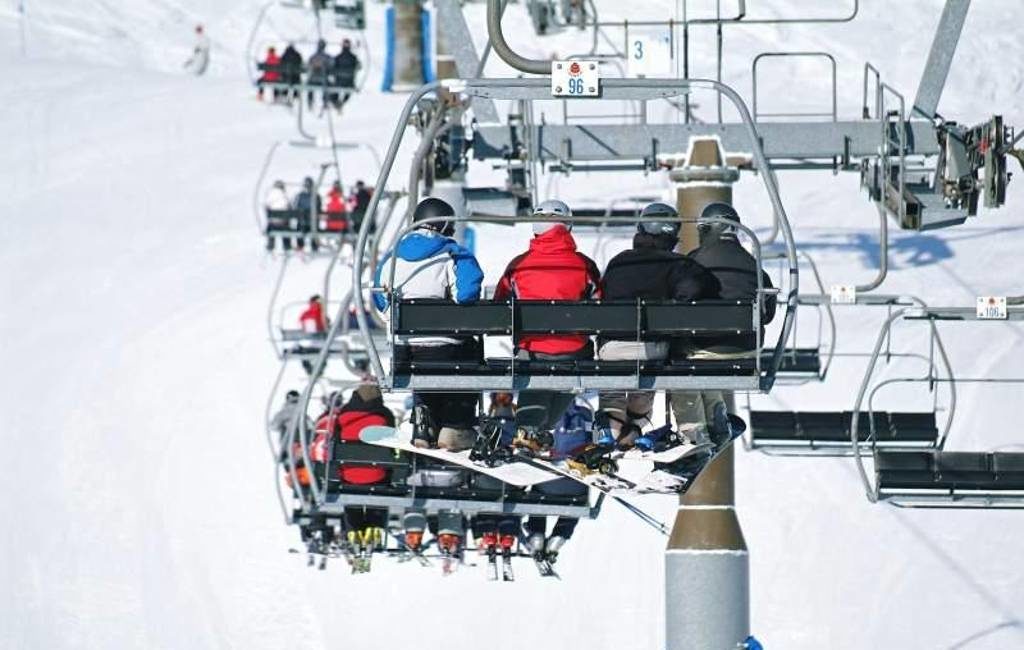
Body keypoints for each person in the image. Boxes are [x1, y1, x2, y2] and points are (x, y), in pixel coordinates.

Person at [597, 202, 720, 446]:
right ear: (672, 234)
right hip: (650, 348)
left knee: (613, 389)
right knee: (642, 388)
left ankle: (609, 434)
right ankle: (632, 432)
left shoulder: (618, 262)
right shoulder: (678, 265)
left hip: (611, 347)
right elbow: (701, 285)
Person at [373, 197, 484, 451]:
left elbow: (381, 302)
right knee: (468, 350)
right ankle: (456, 425)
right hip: (445, 349)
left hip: (403, 351)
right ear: (444, 226)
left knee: (422, 362)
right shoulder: (452, 254)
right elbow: (466, 295)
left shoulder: (390, 258)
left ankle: (424, 420)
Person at [670, 202, 777, 443]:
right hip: (748, 351)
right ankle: (716, 415)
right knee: (705, 361)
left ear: (707, 230)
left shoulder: (695, 261)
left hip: (704, 350)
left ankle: (693, 432)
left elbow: (679, 304)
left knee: (682, 371)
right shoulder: (754, 264)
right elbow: (768, 314)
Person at [494, 199, 601, 434]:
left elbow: (499, 308)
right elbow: (601, 307)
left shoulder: (519, 266)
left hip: (531, 353)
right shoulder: (583, 266)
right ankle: (540, 431)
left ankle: (529, 431)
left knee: (534, 376)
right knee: (559, 387)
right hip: (575, 355)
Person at [312, 385, 395, 534]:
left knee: (351, 485)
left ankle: (353, 528)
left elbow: (334, 442)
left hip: (349, 476)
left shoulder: (342, 417)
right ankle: (376, 525)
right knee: (380, 477)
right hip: (377, 476)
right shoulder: (384, 415)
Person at [523, 398, 592, 562]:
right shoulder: (586, 413)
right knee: (577, 499)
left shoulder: (545, 415)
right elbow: (594, 440)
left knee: (538, 492)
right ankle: (559, 536)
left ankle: (537, 531)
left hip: (547, 482)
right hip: (575, 484)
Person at [298, 295, 329, 375]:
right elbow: (323, 326)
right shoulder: (320, 314)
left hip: (307, 345)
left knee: (305, 352)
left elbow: (302, 326)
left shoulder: (305, 314)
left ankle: (312, 371)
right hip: (319, 344)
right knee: (323, 352)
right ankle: (318, 371)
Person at [292, 177, 322, 251]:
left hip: (302, 223)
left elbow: (295, 207)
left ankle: (300, 245)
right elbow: (319, 208)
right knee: (314, 225)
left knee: (300, 225)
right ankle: (314, 246)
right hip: (313, 224)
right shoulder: (316, 196)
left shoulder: (300, 196)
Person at [332, 38, 361, 109]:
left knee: (333, 90)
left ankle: (336, 102)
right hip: (349, 82)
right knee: (348, 91)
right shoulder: (353, 57)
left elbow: (332, 67)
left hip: (338, 81)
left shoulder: (338, 57)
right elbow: (359, 67)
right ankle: (342, 102)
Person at [264, 180, 292, 251]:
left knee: (270, 225)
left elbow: (267, 207)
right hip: (283, 224)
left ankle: (271, 243)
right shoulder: (284, 196)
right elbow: (289, 208)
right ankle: (287, 245)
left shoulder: (270, 195)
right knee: (286, 225)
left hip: (273, 224)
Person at [306, 39, 333, 110]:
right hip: (323, 80)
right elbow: (331, 66)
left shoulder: (312, 57)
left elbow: (308, 66)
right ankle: (325, 101)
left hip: (312, 80)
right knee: (329, 84)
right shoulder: (327, 57)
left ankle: (310, 101)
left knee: (309, 84)